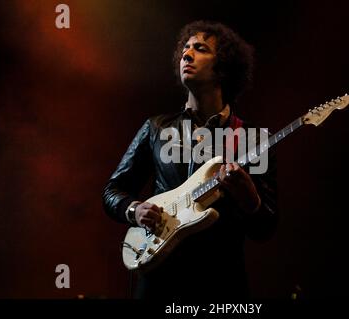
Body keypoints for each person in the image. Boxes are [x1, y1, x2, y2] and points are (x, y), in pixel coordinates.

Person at [102, 20, 278, 300]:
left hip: (220, 282)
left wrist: (250, 199)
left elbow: (266, 227)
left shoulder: (251, 138)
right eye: (185, 48)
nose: (186, 54)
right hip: (159, 276)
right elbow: (112, 191)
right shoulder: (156, 128)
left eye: (200, 48)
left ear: (223, 67)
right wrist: (134, 210)